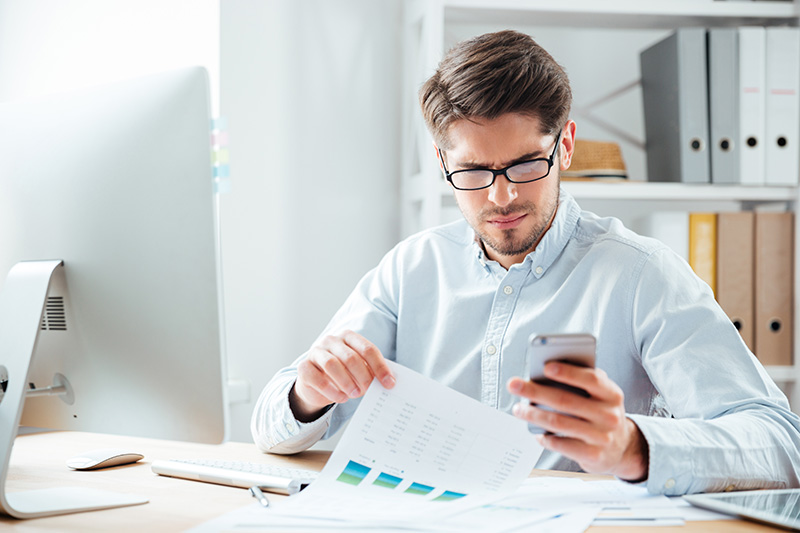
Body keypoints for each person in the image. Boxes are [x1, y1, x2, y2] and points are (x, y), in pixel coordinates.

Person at [251, 29, 800, 495]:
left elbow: (781, 442)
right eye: (474, 172)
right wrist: (309, 395)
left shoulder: (640, 275)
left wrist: (633, 446)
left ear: (565, 147)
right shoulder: (410, 270)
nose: (500, 197)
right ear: (442, 162)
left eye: (524, 165)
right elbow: (271, 425)